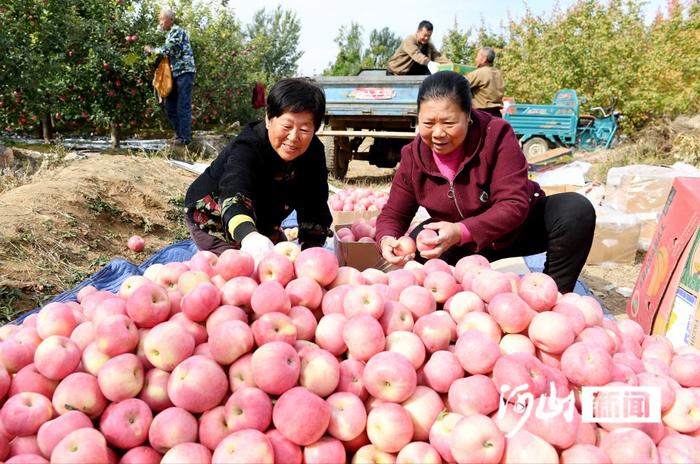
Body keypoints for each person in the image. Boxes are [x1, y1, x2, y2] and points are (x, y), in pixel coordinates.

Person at [375, 71, 595, 293]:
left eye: (449, 123)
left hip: (516, 230)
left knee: (574, 211)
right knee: (420, 244)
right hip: (460, 243)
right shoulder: (413, 156)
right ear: (418, 118)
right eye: (428, 123)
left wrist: (462, 230)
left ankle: (551, 294)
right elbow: (394, 214)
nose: (438, 133)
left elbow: (513, 204)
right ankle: (448, 297)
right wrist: (387, 240)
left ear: (468, 116)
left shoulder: (496, 135)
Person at [184, 78, 332, 263]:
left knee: (281, 265)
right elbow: (234, 191)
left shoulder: (313, 151)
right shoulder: (248, 146)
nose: (293, 138)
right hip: (214, 214)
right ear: (269, 119)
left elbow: (315, 203)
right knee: (241, 269)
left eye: (304, 129)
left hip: (264, 216)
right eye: (286, 126)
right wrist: (249, 237)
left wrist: (312, 251)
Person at [144, 8, 196, 146]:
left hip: (184, 72)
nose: (160, 22)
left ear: (170, 20)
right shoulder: (169, 34)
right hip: (175, 74)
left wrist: (152, 51)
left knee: (182, 105)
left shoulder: (177, 31)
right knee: (170, 106)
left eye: (162, 19)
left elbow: (168, 49)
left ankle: (184, 138)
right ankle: (180, 135)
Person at [465, 47, 505, 118]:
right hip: (497, 114)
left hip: (482, 115)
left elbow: (459, 84)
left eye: (477, 57)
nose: (476, 59)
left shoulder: (479, 73)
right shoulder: (498, 73)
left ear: (484, 59)